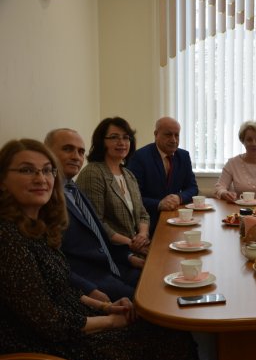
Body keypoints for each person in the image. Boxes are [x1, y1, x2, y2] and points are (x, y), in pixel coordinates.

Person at [0, 138, 205, 360]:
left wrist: (106, 306)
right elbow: (48, 322)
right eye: (27, 170)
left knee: (170, 332)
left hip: (71, 327)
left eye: (46, 170)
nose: (41, 178)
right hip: (48, 357)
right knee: (168, 342)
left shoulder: (37, 228)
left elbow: (61, 290)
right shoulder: (7, 238)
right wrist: (110, 321)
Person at [45, 129, 141, 302]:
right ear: (47, 152)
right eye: (68, 149)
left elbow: (99, 237)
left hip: (115, 266)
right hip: (91, 280)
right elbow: (51, 262)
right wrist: (89, 290)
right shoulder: (44, 198)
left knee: (161, 280)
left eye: (81, 152)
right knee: (151, 301)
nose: (76, 157)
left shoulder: (73, 188)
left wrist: (130, 258)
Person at [76, 117, 150, 260]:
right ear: (101, 142)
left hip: (137, 247)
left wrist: (142, 235)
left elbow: (143, 214)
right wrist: (130, 243)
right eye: (114, 137)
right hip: (113, 254)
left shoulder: (128, 175)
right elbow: (95, 222)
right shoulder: (93, 173)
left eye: (126, 138)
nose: (122, 143)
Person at [128, 116, 199, 235]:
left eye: (177, 135)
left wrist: (179, 197)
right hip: (148, 223)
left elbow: (193, 188)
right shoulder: (139, 158)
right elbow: (133, 197)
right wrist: (159, 204)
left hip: (176, 218)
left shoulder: (183, 156)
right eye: (168, 135)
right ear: (156, 134)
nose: (173, 140)